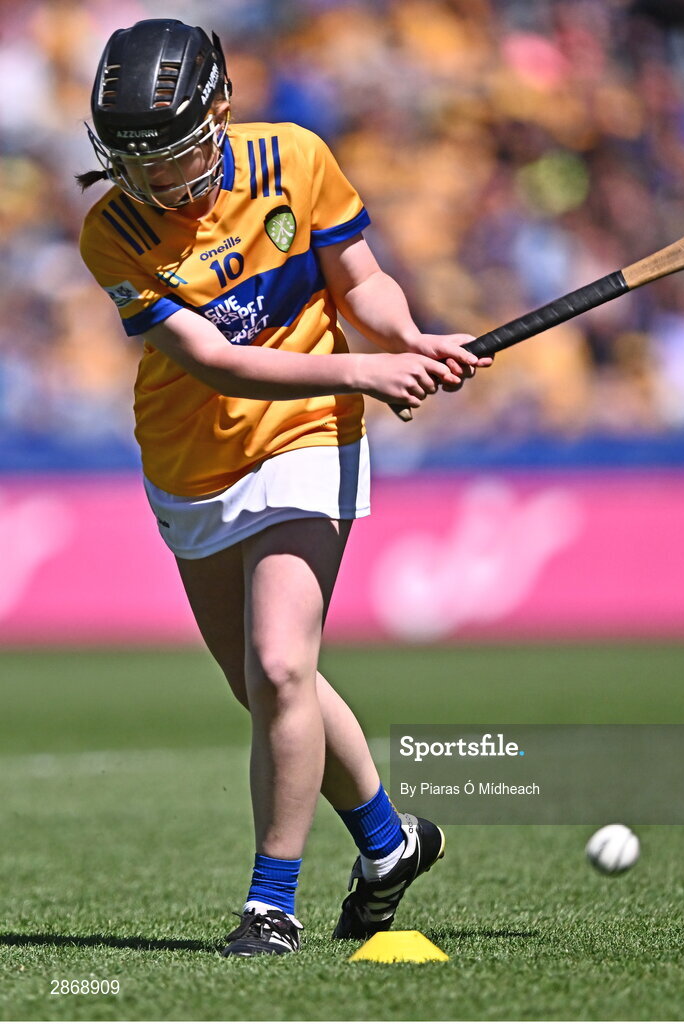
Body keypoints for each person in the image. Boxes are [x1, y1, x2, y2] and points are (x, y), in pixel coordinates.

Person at [77, 18, 490, 958]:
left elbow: (361, 279)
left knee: (278, 662)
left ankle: (272, 905)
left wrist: (406, 338)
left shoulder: (295, 159)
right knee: (263, 684)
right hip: (191, 465)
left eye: (176, 155)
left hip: (310, 436)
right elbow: (215, 362)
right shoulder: (114, 232)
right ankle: (390, 844)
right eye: (136, 160)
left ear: (220, 109)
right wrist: (366, 375)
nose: (158, 181)